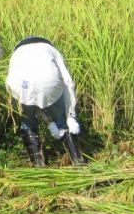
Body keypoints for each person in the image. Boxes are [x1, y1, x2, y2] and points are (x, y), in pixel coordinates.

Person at [5, 36, 84, 167]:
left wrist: (49, 122)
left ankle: (38, 164)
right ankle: (77, 159)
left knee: (28, 123)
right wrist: (70, 116)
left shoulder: (16, 54)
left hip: (20, 86)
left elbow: (22, 91)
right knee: (62, 120)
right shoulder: (51, 50)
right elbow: (68, 82)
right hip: (50, 83)